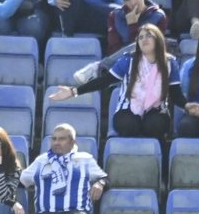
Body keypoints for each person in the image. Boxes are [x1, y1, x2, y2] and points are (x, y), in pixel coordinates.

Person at [52, 22, 180, 138]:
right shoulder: (128, 59)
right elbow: (105, 81)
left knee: (155, 126)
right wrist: (74, 92)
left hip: (157, 110)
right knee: (128, 126)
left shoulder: (170, 62)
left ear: (157, 39)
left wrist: (187, 106)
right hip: (127, 109)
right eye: (140, 37)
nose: (143, 40)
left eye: (148, 36)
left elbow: (175, 92)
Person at [16, 122, 105, 214]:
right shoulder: (42, 160)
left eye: (61, 139)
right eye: (54, 139)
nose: (56, 142)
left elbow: (105, 178)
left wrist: (100, 183)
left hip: (75, 212)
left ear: (72, 142)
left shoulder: (85, 159)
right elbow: (21, 181)